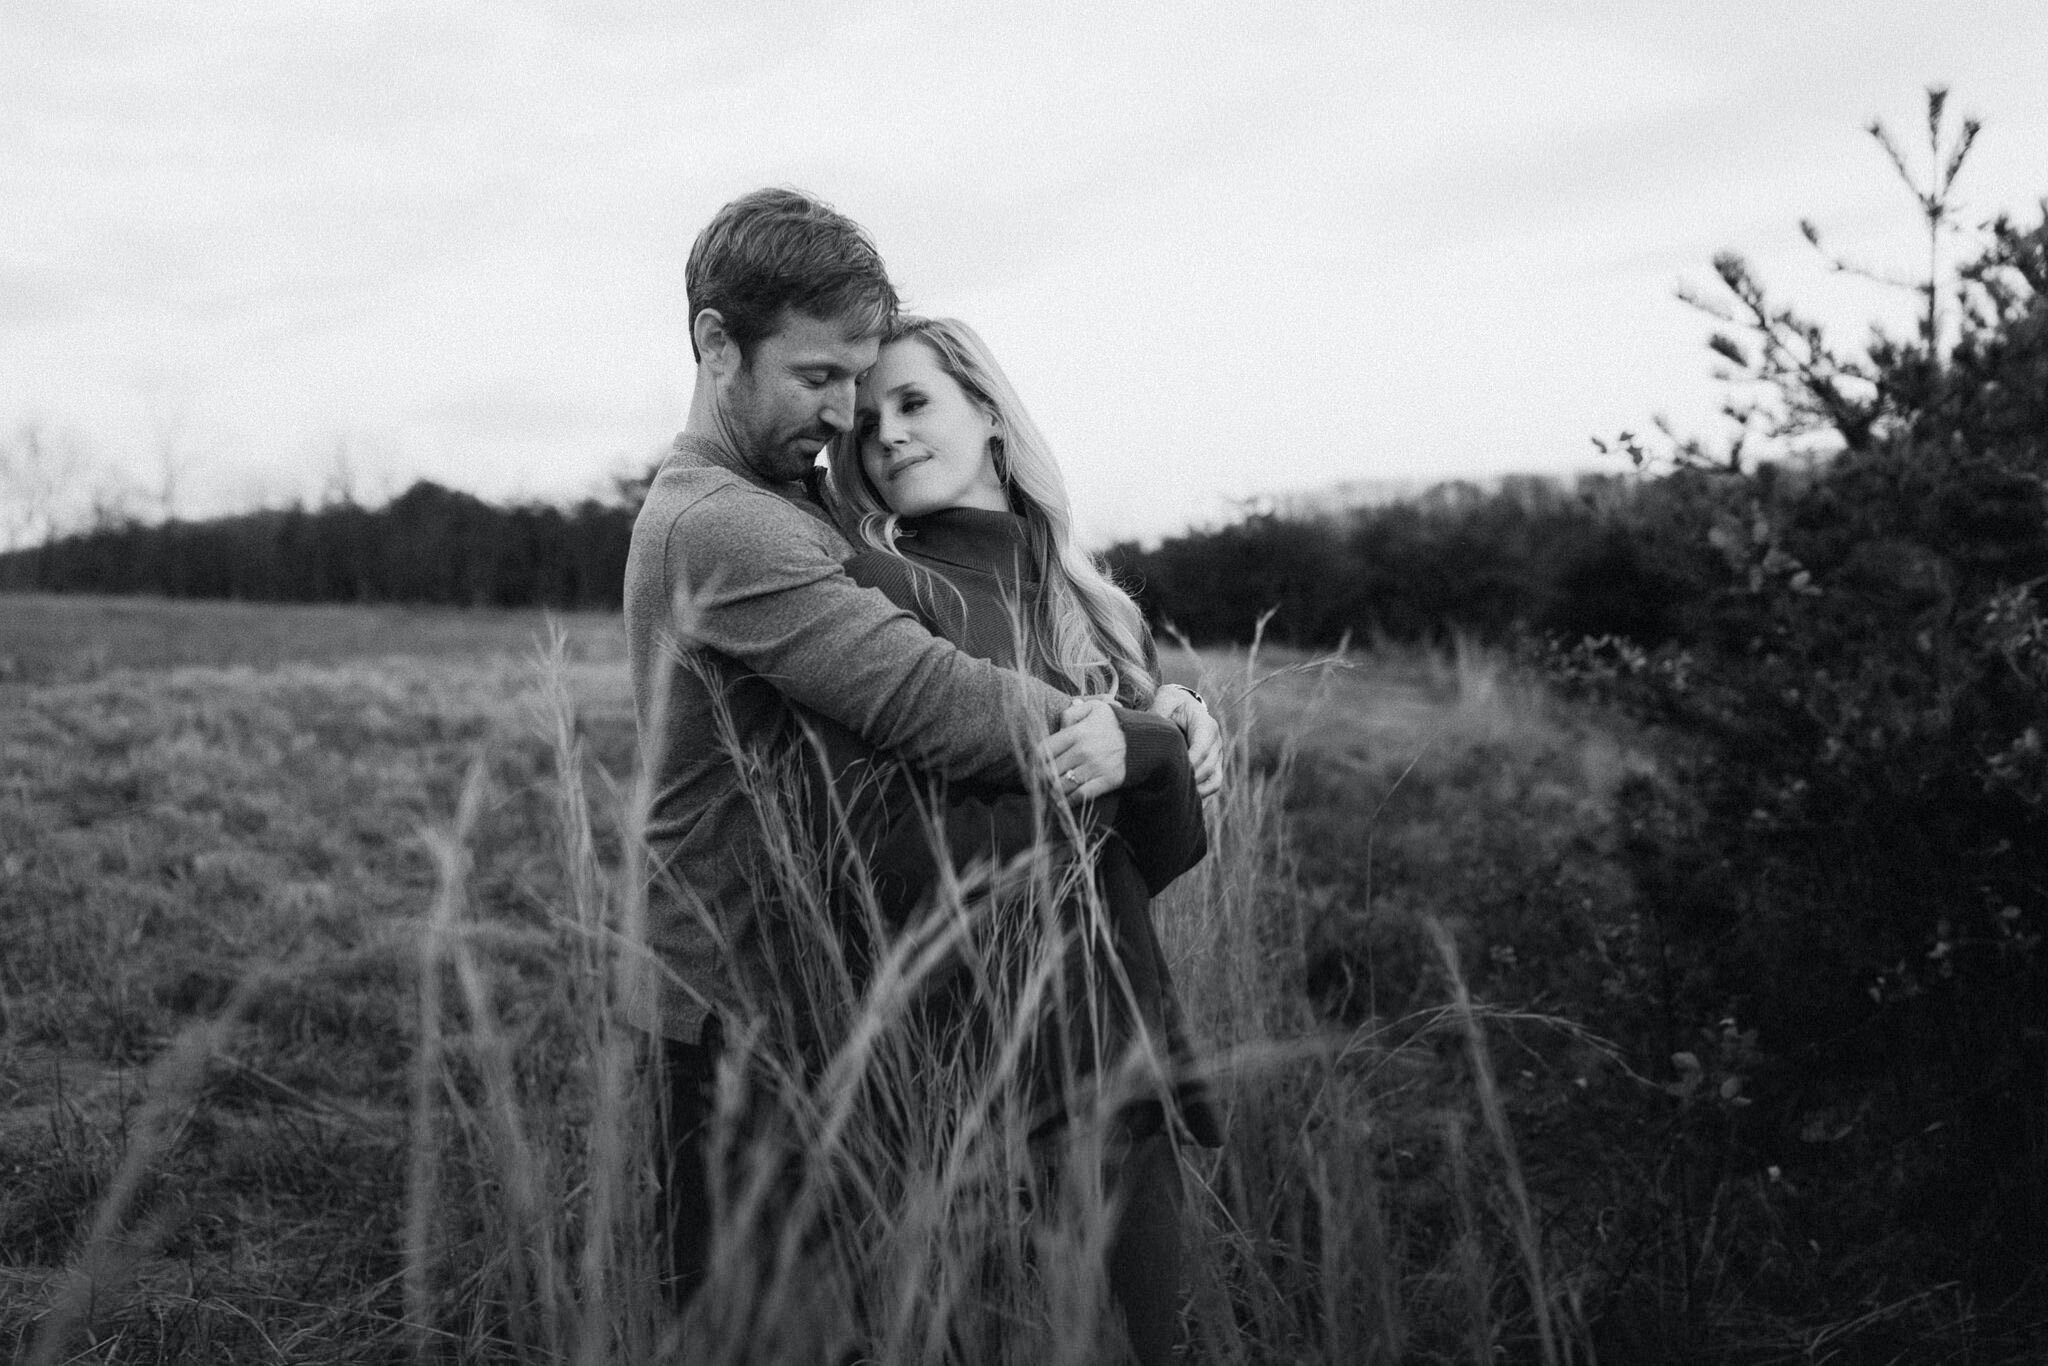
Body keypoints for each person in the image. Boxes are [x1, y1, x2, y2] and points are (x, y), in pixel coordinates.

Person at [622, 189, 1219, 1319]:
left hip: (816, 1005)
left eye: (865, 382)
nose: (848, 415)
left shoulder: (789, 500)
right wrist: (1144, 731)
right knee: (744, 1331)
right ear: (716, 344)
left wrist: (1157, 714)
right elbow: (934, 700)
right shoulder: (726, 523)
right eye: (820, 377)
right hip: (729, 1009)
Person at [817, 315, 1224, 1366]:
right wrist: (1130, 749)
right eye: (866, 423)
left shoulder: (1094, 609)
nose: (886, 435)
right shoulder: (880, 590)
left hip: (1113, 1053)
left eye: (913, 402)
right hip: (959, 1071)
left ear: (990, 414)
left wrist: (1153, 742)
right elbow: (884, 846)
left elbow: (1158, 860)